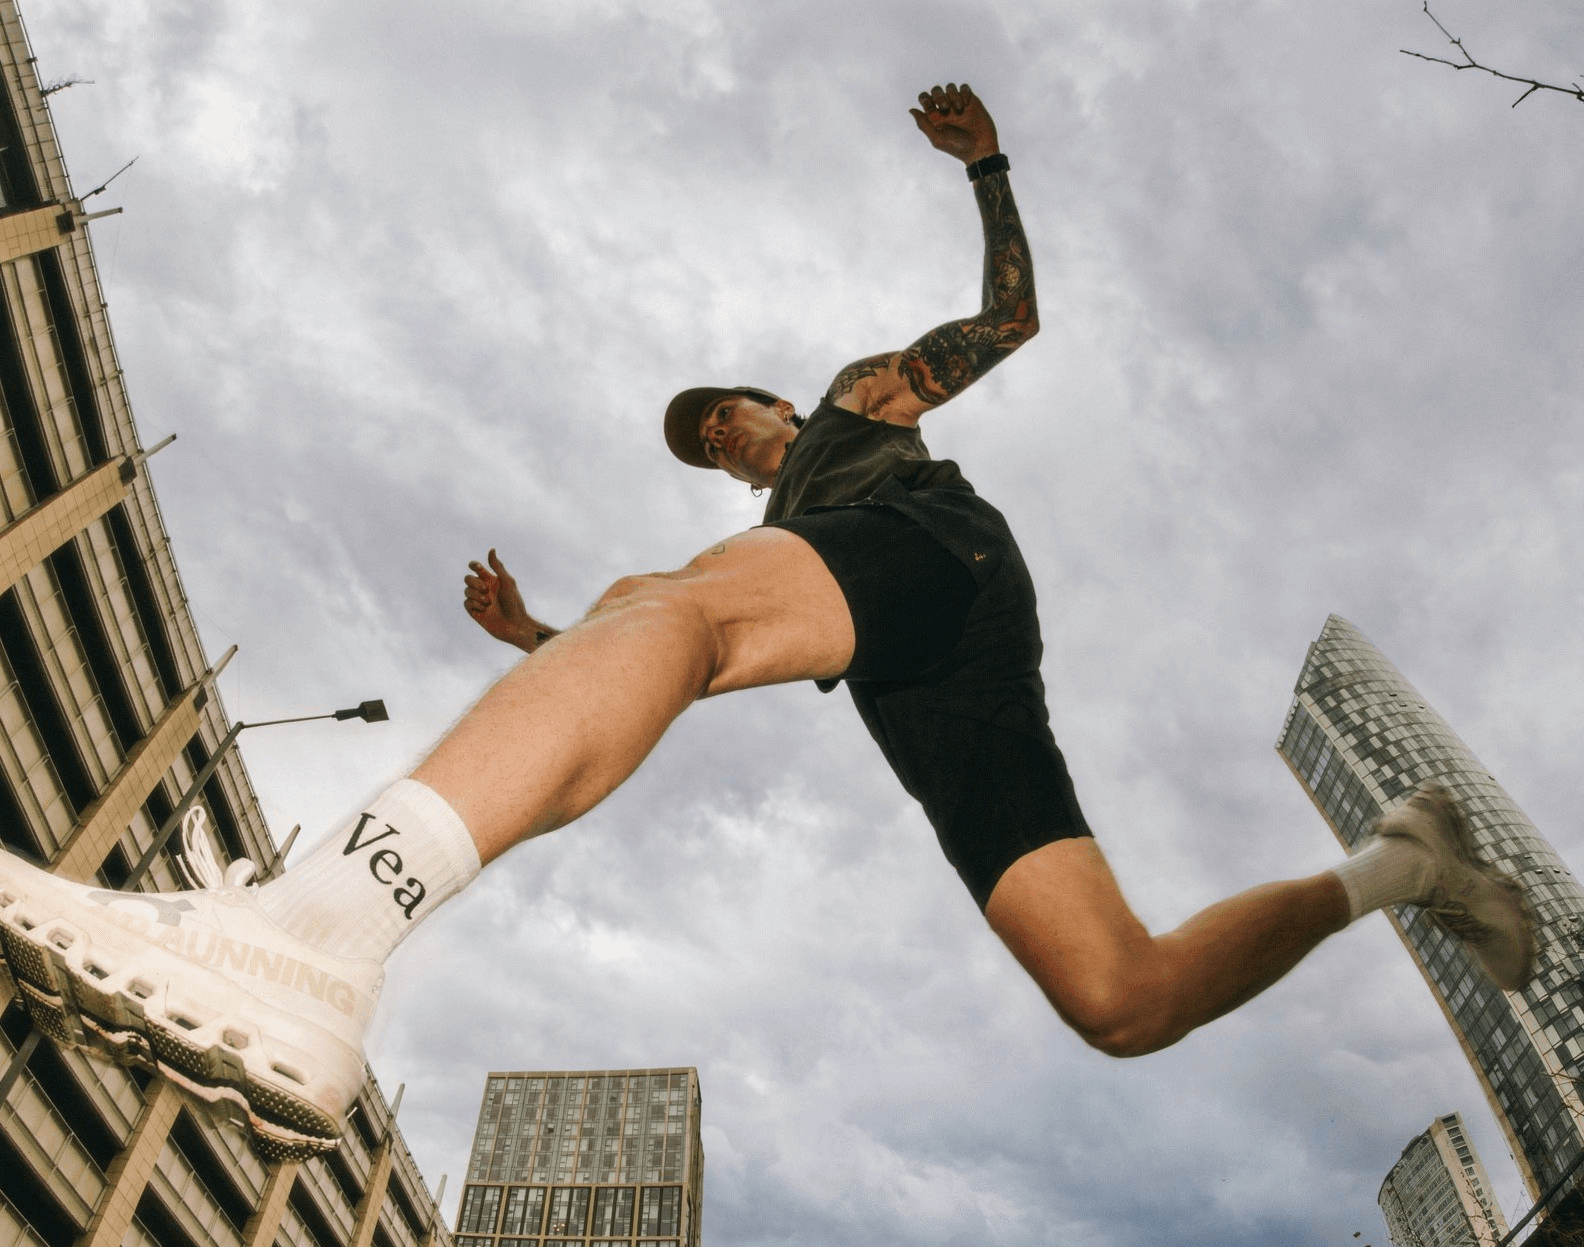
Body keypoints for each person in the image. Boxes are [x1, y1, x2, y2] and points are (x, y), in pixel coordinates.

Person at [0, 85, 1533, 1161]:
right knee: (1120, 998)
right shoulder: (775, 536)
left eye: (729, 424)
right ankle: (1401, 861)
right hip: (930, 677)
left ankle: (317, 926)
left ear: (775, 400)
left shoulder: (855, 408)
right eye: (713, 447)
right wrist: (538, 637)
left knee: (664, 603)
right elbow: (649, 674)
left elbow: (1008, 326)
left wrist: (988, 169)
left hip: (932, 549)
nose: (729, 447)